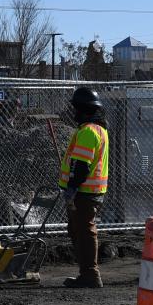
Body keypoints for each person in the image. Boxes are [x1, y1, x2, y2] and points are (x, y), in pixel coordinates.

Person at [59, 86, 109, 288]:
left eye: (76, 108)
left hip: (84, 192)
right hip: (90, 191)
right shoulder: (99, 130)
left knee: (84, 231)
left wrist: (71, 188)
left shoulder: (88, 131)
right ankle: (86, 272)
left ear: (82, 109)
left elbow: (81, 166)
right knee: (78, 229)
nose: (73, 113)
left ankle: (90, 274)